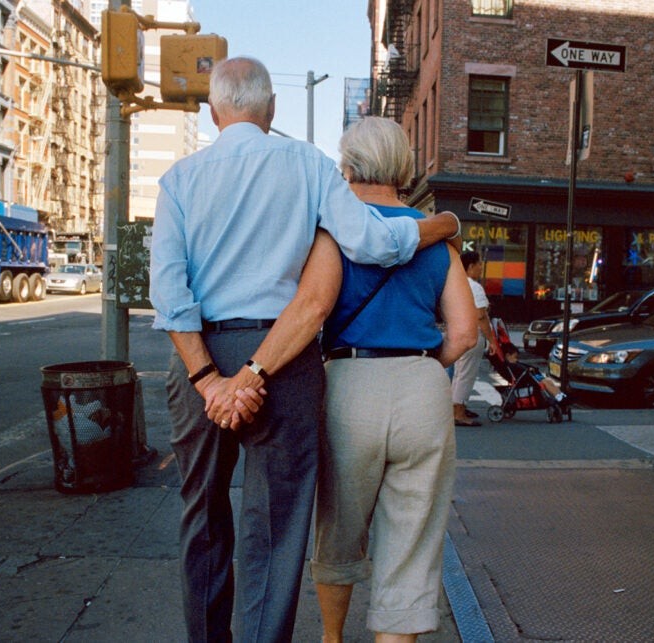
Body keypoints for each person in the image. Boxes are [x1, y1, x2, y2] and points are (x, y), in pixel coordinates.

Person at [148, 56, 462, 643]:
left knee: (203, 515)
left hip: (200, 359)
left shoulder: (180, 180)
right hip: (283, 357)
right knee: (277, 522)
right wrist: (437, 225)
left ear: (214, 112)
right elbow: (371, 242)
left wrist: (208, 382)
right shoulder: (308, 165)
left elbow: (169, 294)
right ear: (272, 109)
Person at [310, 116, 479, 642]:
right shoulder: (438, 243)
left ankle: (332, 639)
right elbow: (466, 332)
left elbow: (308, 309)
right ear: (403, 168)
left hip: (347, 382)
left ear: (350, 166)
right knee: (411, 543)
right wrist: (425, 366)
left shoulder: (333, 232)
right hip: (421, 388)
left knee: (338, 527)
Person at [451, 251, 498, 427]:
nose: (481, 268)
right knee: (467, 375)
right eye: (479, 265)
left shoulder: (454, 283)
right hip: (471, 334)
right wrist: (492, 340)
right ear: (470, 266)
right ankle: (459, 413)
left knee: (459, 373)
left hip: (457, 332)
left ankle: (454, 408)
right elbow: (480, 315)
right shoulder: (474, 287)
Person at [500, 342, 569, 406]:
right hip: (526, 381)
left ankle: (560, 394)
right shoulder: (511, 366)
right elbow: (521, 371)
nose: (516, 359)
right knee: (545, 382)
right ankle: (559, 396)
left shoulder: (513, 364)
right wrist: (528, 369)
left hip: (531, 377)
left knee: (548, 381)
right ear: (508, 356)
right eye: (515, 357)